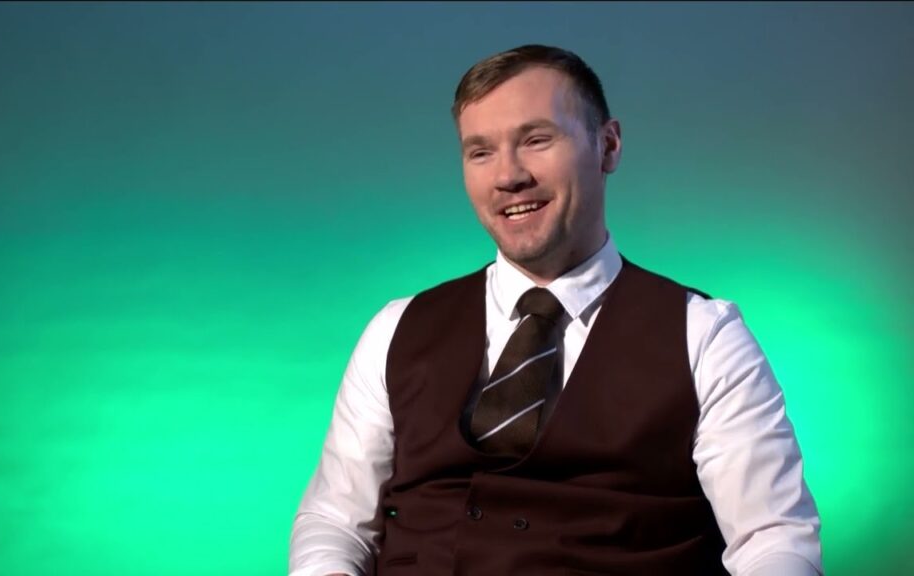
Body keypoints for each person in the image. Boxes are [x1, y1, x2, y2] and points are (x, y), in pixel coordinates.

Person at [288, 44, 822, 576]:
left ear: (608, 146)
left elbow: (773, 539)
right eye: (480, 152)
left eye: (536, 140)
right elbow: (335, 522)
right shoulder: (396, 330)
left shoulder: (704, 336)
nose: (508, 175)